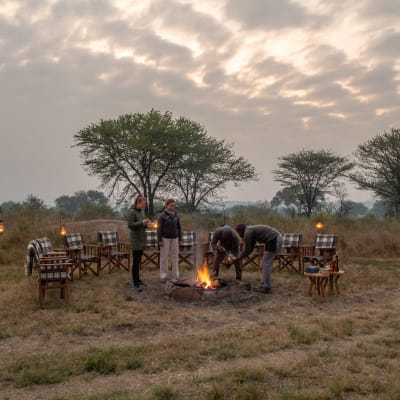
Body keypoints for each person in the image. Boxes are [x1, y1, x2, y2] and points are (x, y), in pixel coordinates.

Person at [234, 224, 283, 293]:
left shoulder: (248, 233)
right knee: (265, 263)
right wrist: (240, 257)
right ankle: (264, 284)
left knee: (266, 264)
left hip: (274, 239)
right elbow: (250, 248)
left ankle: (266, 287)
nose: (238, 235)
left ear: (240, 230)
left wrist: (238, 257)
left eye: (238, 233)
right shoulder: (249, 231)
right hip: (273, 240)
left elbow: (247, 249)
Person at [127, 195, 152, 292]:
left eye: (145, 204)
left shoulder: (141, 212)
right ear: (138, 202)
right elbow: (130, 225)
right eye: (143, 204)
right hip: (136, 240)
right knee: (136, 263)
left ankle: (138, 280)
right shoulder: (132, 212)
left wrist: (146, 224)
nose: (144, 206)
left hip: (142, 240)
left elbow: (142, 225)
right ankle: (135, 283)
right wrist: (142, 222)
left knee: (138, 262)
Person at [157, 198, 183, 282]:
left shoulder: (176, 215)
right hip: (165, 238)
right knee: (164, 257)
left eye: (174, 206)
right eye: (171, 206)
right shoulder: (162, 216)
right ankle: (163, 276)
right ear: (166, 205)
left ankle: (176, 276)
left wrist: (180, 238)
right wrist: (159, 240)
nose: (173, 207)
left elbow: (179, 228)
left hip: (175, 238)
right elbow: (159, 229)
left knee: (175, 257)